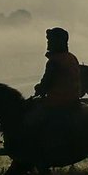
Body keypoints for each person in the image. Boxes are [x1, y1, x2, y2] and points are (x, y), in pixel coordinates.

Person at [25, 26, 82, 165]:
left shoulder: (54, 61)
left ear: (58, 42)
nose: (48, 43)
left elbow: (46, 83)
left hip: (57, 102)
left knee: (30, 121)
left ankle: (35, 151)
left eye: (50, 40)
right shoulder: (71, 57)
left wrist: (38, 88)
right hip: (73, 101)